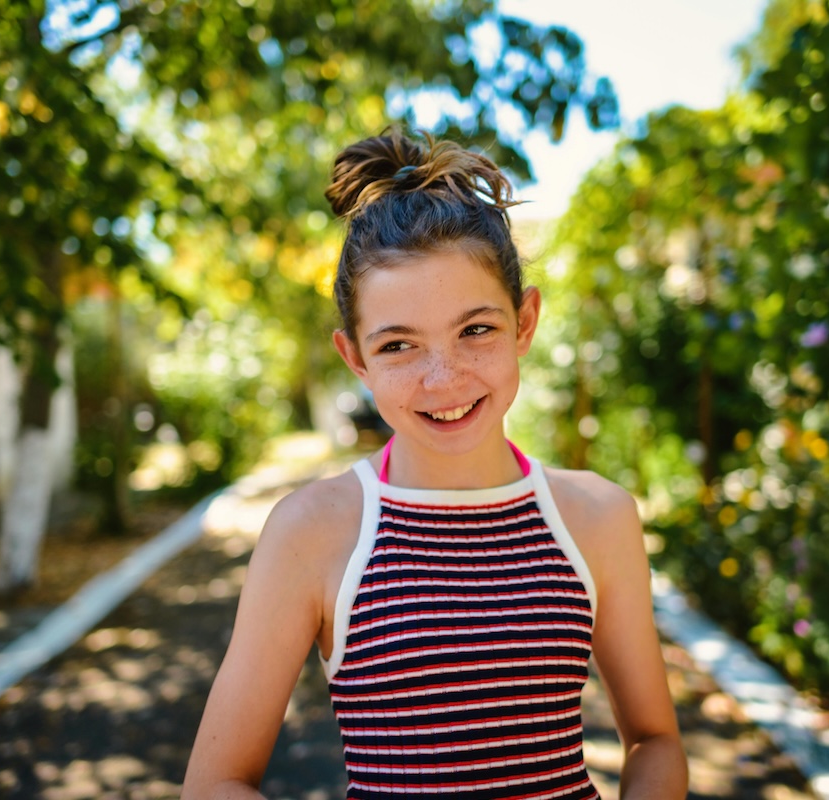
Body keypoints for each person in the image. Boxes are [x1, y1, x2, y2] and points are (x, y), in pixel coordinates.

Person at [182, 129, 688, 799]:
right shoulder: (313, 532)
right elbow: (217, 781)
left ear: (525, 322)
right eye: (397, 346)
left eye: (475, 329)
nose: (443, 379)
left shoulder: (596, 517)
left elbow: (655, 741)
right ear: (354, 358)